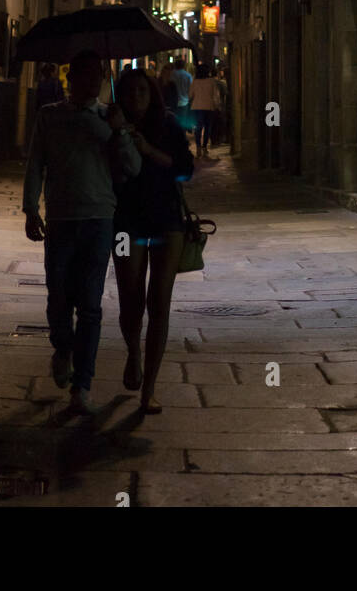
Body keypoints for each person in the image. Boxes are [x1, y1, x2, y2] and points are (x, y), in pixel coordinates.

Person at [22, 49, 141, 415]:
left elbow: (133, 168)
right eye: (83, 75)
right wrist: (30, 208)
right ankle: (62, 346)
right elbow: (35, 163)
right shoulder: (49, 116)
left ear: (102, 81)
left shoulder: (110, 118)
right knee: (58, 296)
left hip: (98, 218)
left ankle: (82, 384)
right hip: (60, 217)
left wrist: (119, 131)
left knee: (90, 305)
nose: (90, 82)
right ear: (70, 78)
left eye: (97, 76)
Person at [111, 67, 195, 415]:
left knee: (159, 302)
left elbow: (186, 170)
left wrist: (147, 149)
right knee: (130, 299)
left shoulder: (169, 125)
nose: (136, 98)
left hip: (167, 221)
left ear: (153, 93)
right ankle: (133, 353)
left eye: (143, 91)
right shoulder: (111, 125)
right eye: (129, 92)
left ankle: (150, 389)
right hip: (125, 223)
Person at [189, 61, 220, 157]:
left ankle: (198, 147)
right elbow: (216, 96)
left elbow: (190, 95)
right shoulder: (211, 82)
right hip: (209, 107)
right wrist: (217, 105)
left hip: (197, 106)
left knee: (198, 127)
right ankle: (204, 147)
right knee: (207, 127)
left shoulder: (195, 82)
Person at [170, 56, 193, 136]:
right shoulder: (188, 76)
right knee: (183, 121)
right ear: (184, 66)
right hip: (184, 102)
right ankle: (182, 137)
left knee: (173, 121)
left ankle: (174, 137)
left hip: (173, 102)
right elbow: (191, 89)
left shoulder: (171, 75)